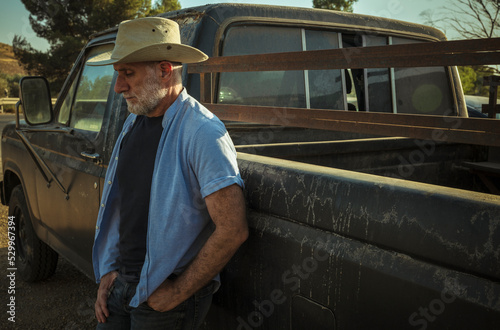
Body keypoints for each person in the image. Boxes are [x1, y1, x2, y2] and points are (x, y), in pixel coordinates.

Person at [87, 17, 248, 329]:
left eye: (127, 74)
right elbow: (125, 205)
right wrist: (109, 270)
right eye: (118, 74)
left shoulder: (202, 132)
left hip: (165, 301)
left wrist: (177, 292)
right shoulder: (134, 122)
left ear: (164, 70)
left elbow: (233, 228)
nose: (119, 86)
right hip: (122, 284)